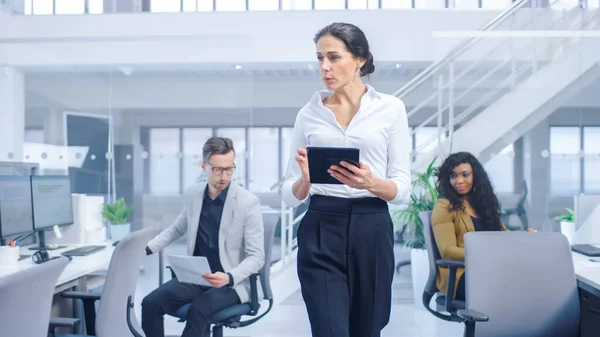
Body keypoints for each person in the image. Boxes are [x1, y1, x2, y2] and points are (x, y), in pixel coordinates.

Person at [281, 22, 412, 337]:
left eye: (334, 57)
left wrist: (370, 183)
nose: (324, 67)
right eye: (319, 58)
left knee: (367, 329)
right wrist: (306, 181)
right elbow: (288, 193)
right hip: (321, 227)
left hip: (373, 226)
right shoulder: (308, 114)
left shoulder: (391, 109)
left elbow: (403, 189)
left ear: (360, 59)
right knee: (329, 330)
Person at [141, 137, 265, 337]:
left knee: (198, 309)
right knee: (150, 303)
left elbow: (257, 257)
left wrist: (229, 277)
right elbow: (177, 229)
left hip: (230, 281)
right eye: (217, 169)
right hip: (197, 277)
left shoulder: (248, 203)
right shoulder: (194, 195)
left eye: (229, 168)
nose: (224, 176)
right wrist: (146, 248)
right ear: (203, 166)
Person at [431, 151, 534, 301]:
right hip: (462, 276)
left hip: (491, 270)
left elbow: (505, 235)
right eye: (453, 176)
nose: (459, 181)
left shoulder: (484, 205)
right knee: (516, 288)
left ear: (475, 177)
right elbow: (447, 252)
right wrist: (486, 255)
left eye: (465, 175)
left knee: (531, 279)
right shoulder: (444, 206)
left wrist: (524, 235)